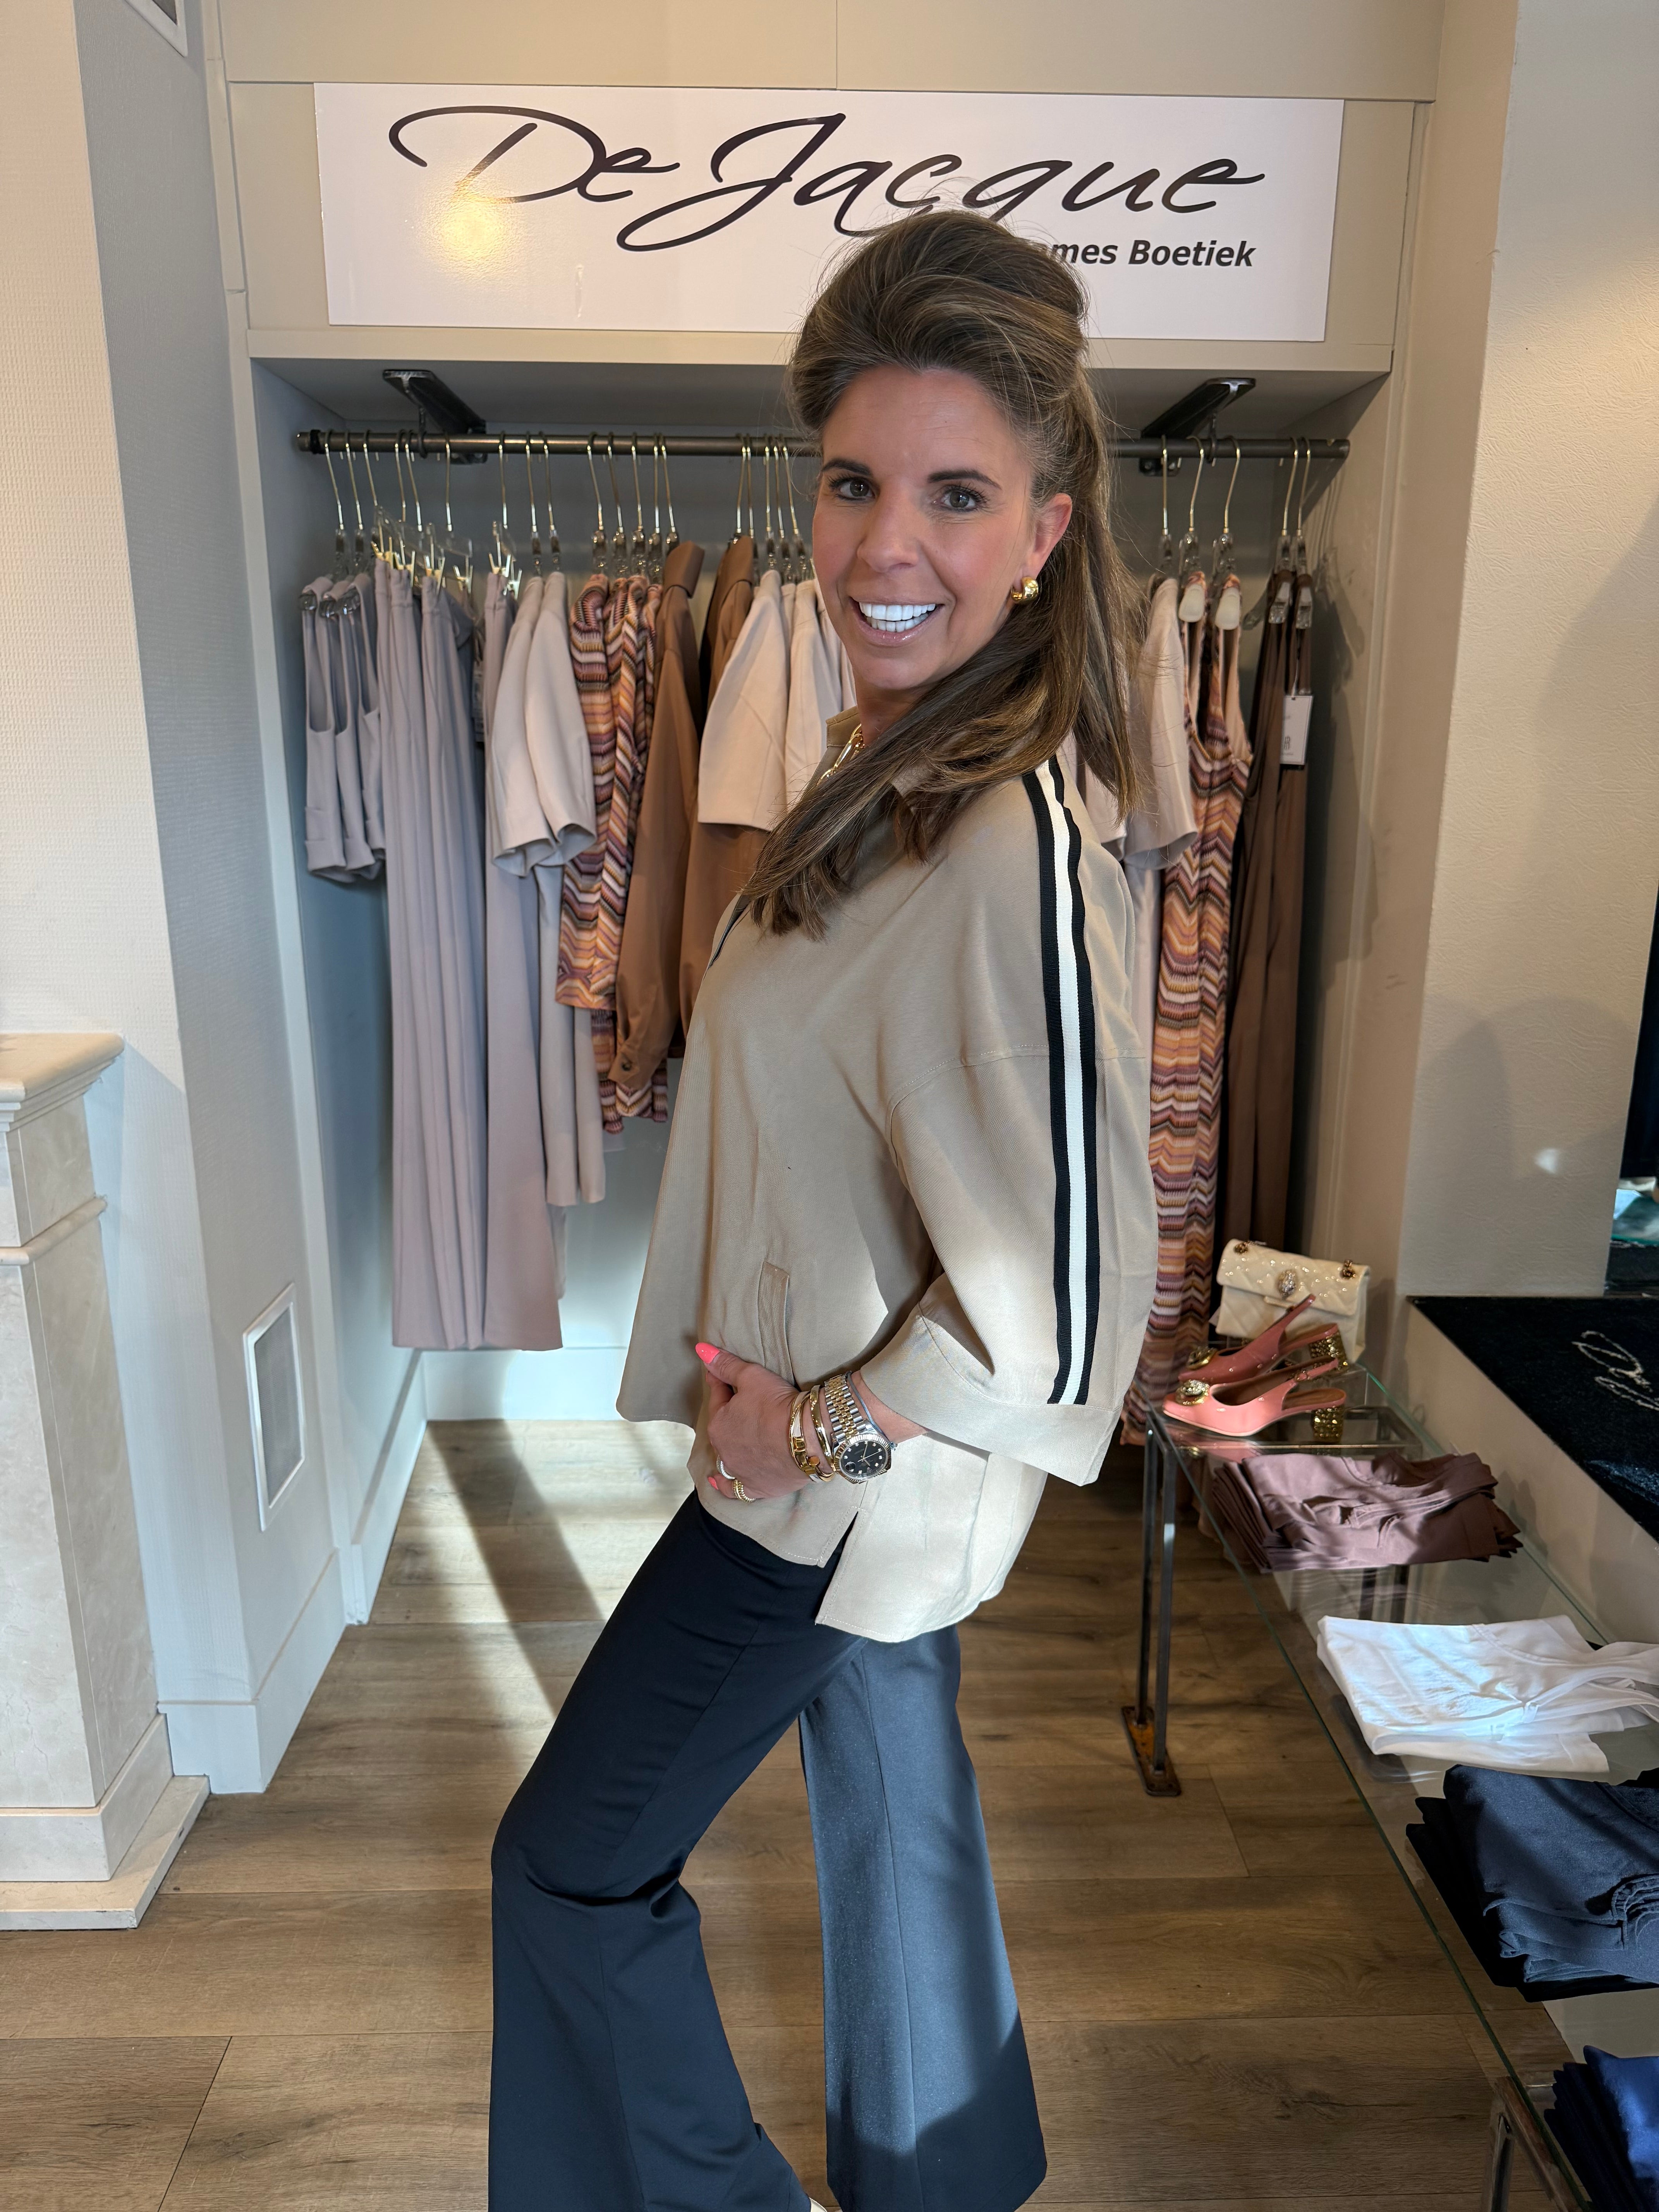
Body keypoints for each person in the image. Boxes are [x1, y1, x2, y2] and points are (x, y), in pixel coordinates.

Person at [489, 210, 1157, 2212]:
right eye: (856, 482)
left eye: (957, 495)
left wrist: (819, 1428)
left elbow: (1064, 1310)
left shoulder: (1006, 840)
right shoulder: (888, 768)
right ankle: (941, 2180)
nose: (886, 545)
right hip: (829, 1480)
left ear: (1044, 531)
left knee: (568, 1866)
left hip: (833, 1493)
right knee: (894, 1824)